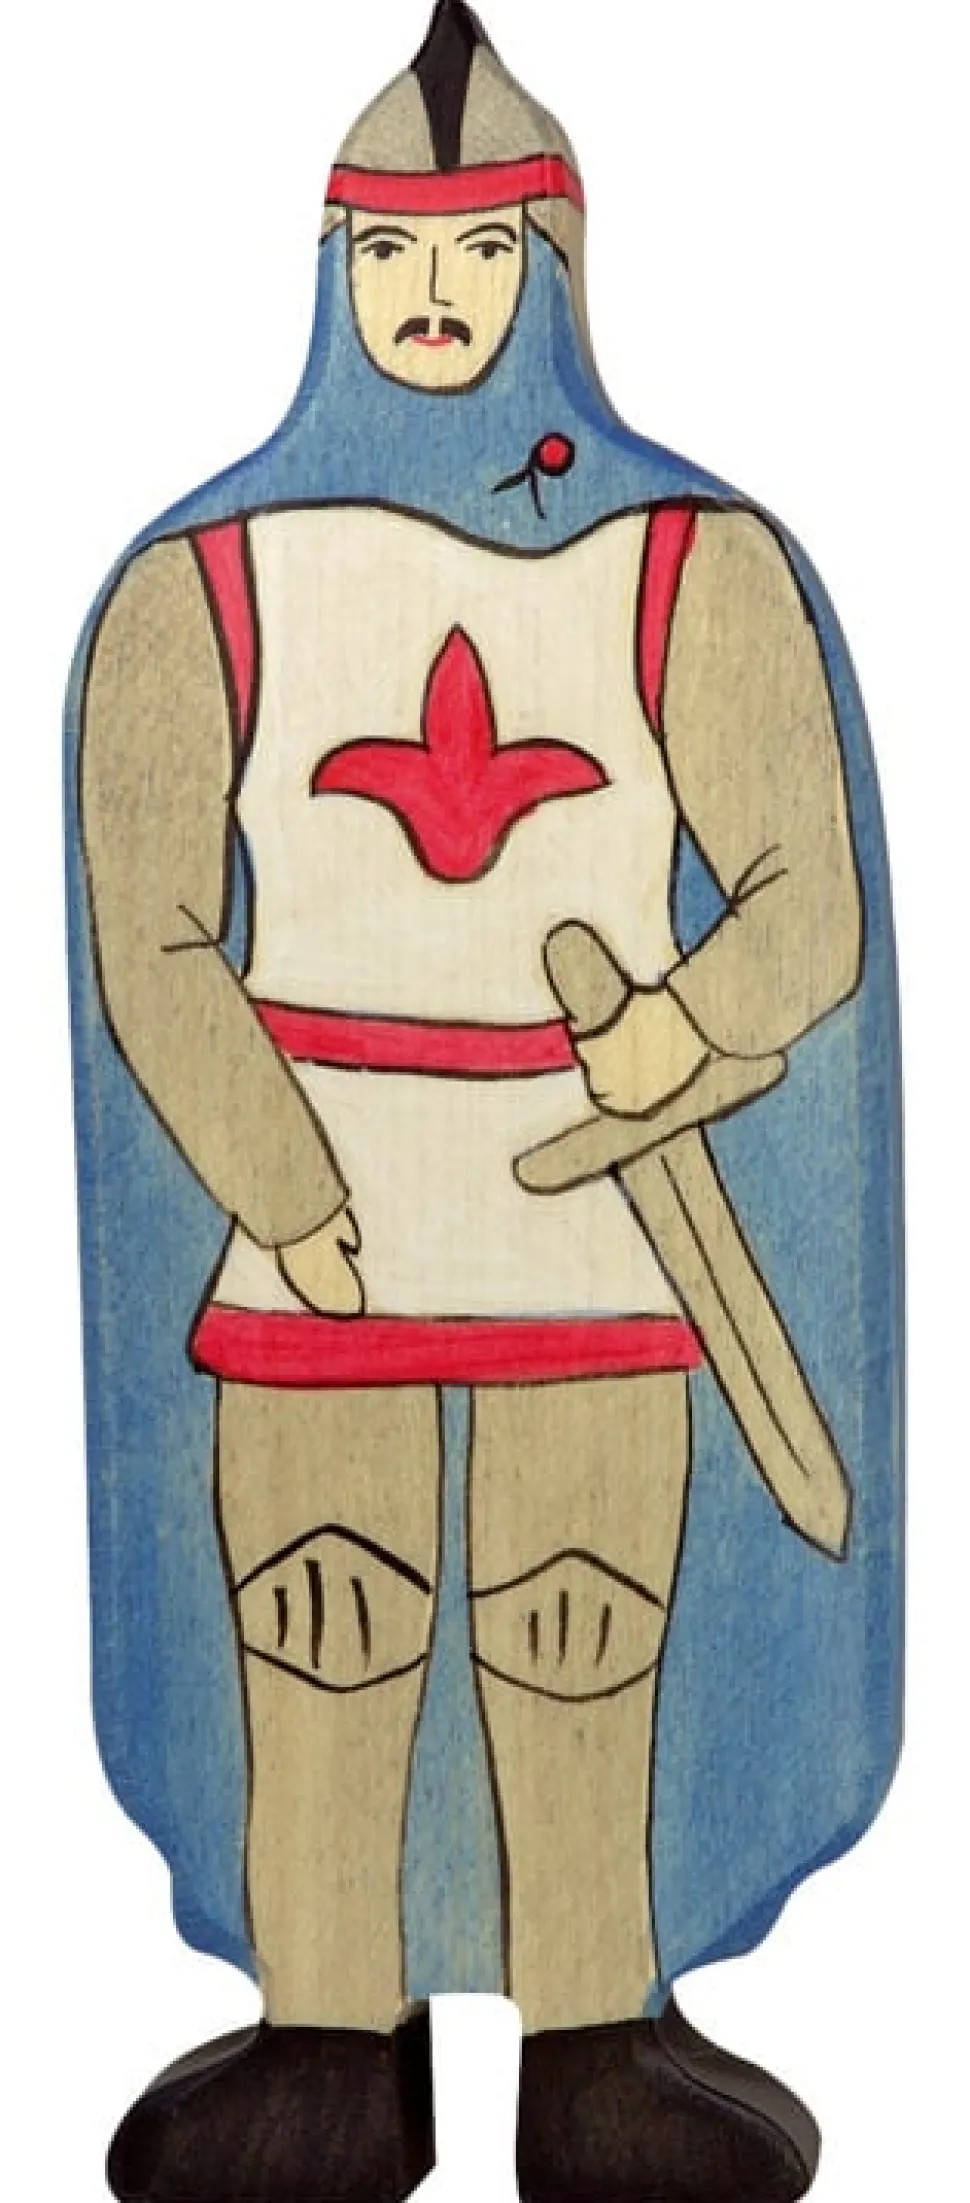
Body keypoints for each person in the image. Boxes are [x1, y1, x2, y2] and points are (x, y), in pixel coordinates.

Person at [76, 7, 875, 2200]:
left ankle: (597, 2030)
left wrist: (692, 1023)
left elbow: (800, 897)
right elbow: (153, 932)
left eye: (481, 255)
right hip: (318, 1188)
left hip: (585, 1200)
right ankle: (327, 2030)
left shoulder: (691, 562)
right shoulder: (198, 584)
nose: (433, 301)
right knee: (318, 1609)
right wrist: (276, 1175)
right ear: (329, 266)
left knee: (576, 1612)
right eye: (391, 258)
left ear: (557, 265)